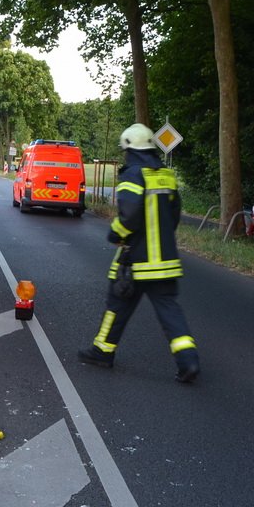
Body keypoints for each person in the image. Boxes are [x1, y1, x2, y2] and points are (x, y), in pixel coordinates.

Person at [78, 123, 200, 383]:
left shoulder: (133, 174)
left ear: (130, 149)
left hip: (136, 261)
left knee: (117, 305)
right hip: (166, 262)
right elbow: (174, 214)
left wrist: (115, 233)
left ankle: (102, 351)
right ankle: (188, 360)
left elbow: (129, 216)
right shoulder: (165, 175)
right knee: (169, 310)